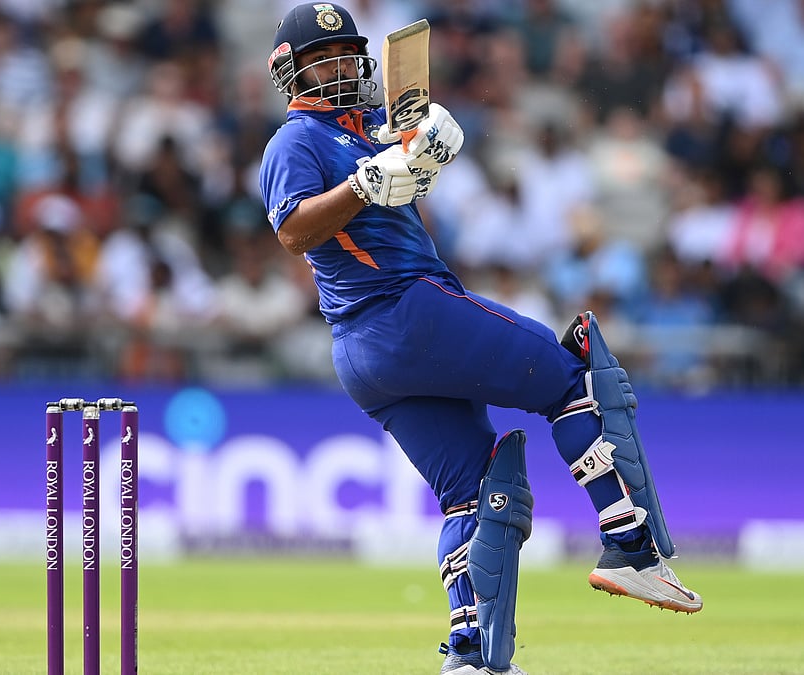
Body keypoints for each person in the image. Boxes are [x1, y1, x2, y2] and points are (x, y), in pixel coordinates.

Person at [258, 5, 702, 674]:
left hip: (367, 349)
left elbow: (393, 187)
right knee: (575, 377)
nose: (346, 64)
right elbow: (293, 231)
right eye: (327, 56)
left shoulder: (364, 135)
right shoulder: (296, 141)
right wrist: (367, 179)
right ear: (291, 72)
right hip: (405, 312)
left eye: (350, 52)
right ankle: (632, 547)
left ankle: (473, 654)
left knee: (477, 485)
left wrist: (417, 156)